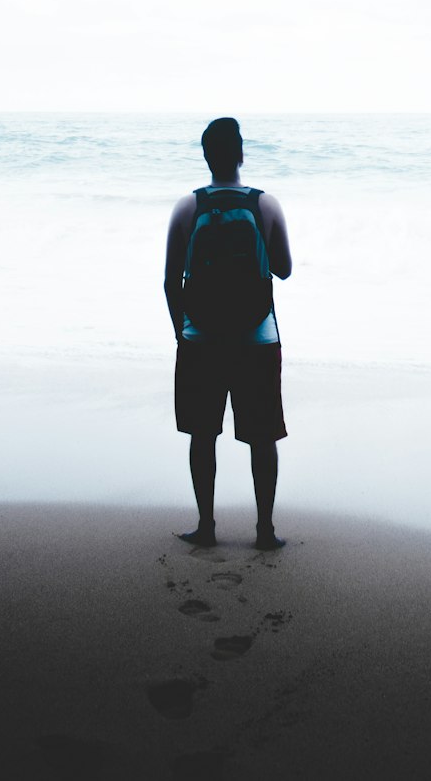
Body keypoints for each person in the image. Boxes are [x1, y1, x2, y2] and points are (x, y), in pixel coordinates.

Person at [165, 117, 292, 551]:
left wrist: (181, 331)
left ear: (206, 156)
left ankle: (206, 526)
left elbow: (169, 280)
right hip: (257, 337)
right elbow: (285, 269)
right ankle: (264, 531)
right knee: (263, 436)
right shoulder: (265, 205)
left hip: (200, 338)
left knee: (203, 435)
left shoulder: (188, 208)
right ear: (241, 154)